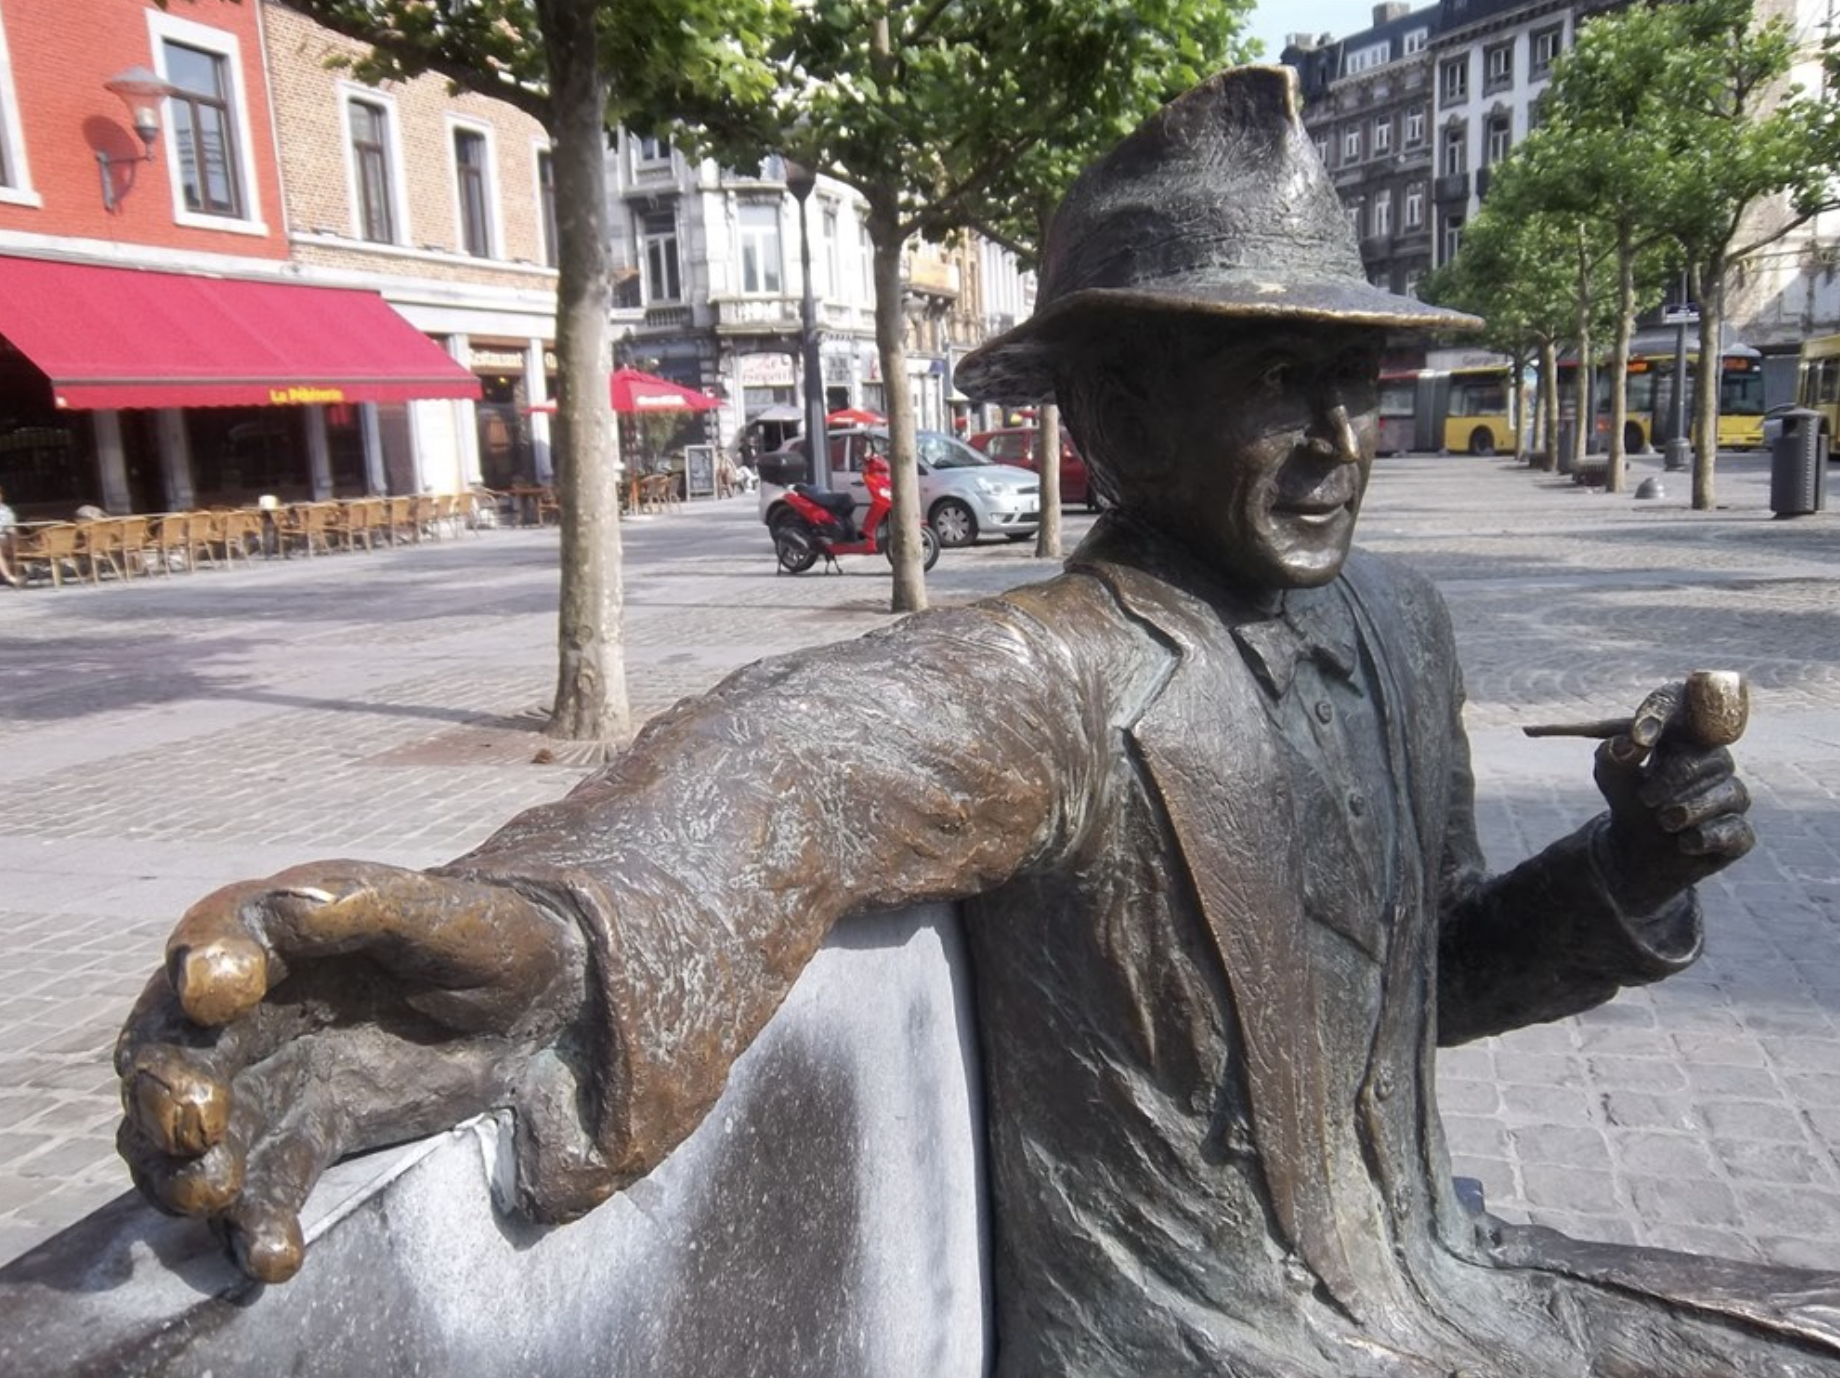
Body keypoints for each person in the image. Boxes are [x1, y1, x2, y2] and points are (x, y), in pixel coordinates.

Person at [115, 68, 1838, 1375]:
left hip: (1434, 1281)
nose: (1338, 440)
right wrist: (547, 946)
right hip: (1218, 1342)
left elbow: (1431, 982)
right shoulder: (1048, 678)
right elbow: (775, 779)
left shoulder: (1400, 625)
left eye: (1352, 382)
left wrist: (1631, 863)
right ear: (1110, 401)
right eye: (1271, 381)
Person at [0, 484, 20, 587]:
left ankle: (12, 573)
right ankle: (8, 576)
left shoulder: (6, 509)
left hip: (5, 538)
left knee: (13, 532)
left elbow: (12, 525)